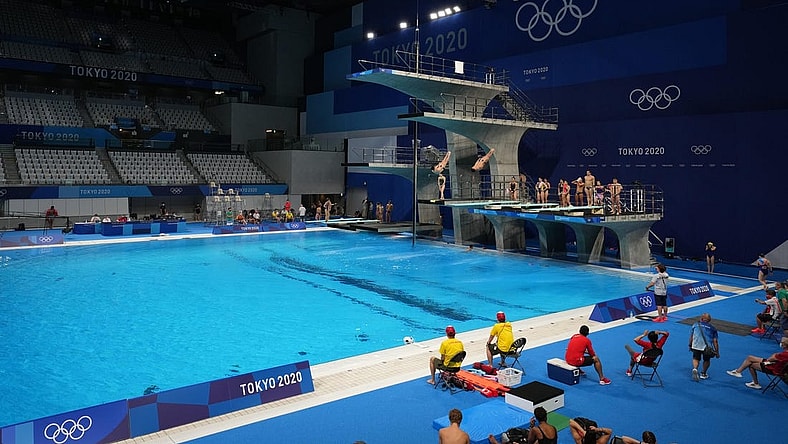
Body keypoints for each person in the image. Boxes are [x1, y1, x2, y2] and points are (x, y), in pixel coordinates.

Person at [487, 406, 556, 444]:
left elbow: (529, 441)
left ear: (536, 418)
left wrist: (532, 426)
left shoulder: (536, 429)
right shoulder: (553, 428)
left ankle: (495, 443)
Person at [689, 312, 719, 381]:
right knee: (706, 360)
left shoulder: (695, 325)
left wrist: (690, 345)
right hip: (707, 347)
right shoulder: (713, 328)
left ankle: (695, 368)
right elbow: (715, 341)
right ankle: (703, 373)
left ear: (702, 318)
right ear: (709, 320)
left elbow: (692, 336)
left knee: (696, 358)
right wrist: (717, 352)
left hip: (696, 345)